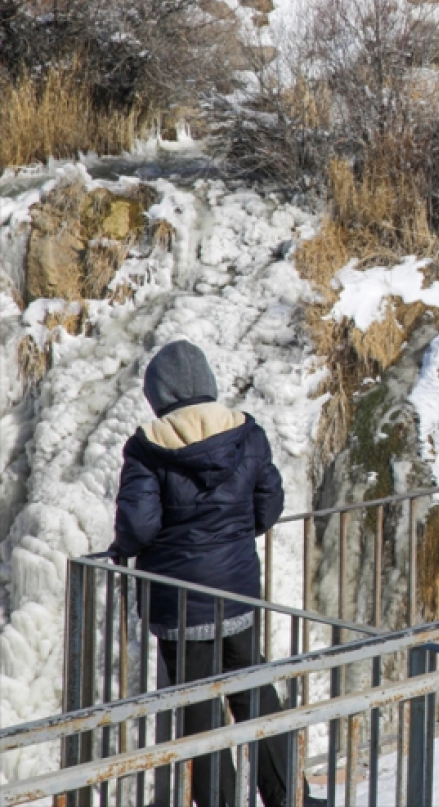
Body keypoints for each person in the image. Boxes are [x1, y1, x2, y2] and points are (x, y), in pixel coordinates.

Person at [111, 340, 319, 807]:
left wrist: (122, 550)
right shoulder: (247, 433)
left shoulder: (147, 448)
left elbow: (138, 525)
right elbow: (269, 503)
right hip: (238, 591)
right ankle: (291, 797)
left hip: (180, 600)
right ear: (207, 382)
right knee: (254, 689)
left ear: (158, 394)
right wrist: (240, 536)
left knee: (199, 709)